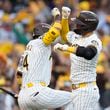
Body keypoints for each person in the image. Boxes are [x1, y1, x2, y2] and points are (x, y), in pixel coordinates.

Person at [16, 8, 73, 110]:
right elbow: (54, 32)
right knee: (75, 98)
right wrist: (56, 16)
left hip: (23, 97)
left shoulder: (28, 50)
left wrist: (23, 93)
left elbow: (19, 75)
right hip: (37, 91)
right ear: (43, 33)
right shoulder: (40, 43)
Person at [54, 7, 102, 110]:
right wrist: (65, 18)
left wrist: (67, 48)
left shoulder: (94, 40)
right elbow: (65, 36)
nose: (76, 25)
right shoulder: (78, 37)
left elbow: (88, 53)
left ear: (87, 26)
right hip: (77, 89)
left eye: (79, 24)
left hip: (86, 89)